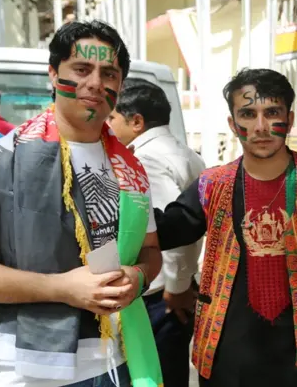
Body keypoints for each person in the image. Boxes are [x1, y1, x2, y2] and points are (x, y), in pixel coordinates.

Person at [0, 20, 163, 387]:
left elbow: (150, 251)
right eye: (81, 69)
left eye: (108, 73)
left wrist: (138, 276)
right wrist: (61, 288)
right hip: (22, 369)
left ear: (120, 85)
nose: (95, 83)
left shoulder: (130, 168)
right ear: (53, 73)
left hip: (116, 361)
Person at [154, 68, 297, 387]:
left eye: (272, 112)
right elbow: (167, 229)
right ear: (233, 124)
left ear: (289, 119)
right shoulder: (213, 184)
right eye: (248, 114)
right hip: (226, 361)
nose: (261, 126)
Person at [109, 77, 206, 386]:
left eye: (112, 117)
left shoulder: (144, 159)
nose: (106, 125)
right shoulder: (186, 153)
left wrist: (176, 288)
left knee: (154, 374)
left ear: (136, 121)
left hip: (159, 296)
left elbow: (170, 231)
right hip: (174, 287)